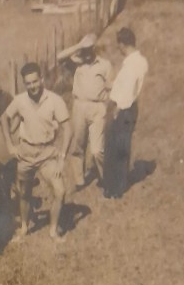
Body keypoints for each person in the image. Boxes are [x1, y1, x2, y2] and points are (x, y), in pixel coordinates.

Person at [1, 62, 72, 242]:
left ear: (41, 79)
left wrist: (62, 157)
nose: (32, 86)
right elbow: (4, 117)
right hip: (25, 153)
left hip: (47, 153)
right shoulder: (19, 100)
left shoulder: (55, 100)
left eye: (35, 81)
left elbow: (67, 128)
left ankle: (53, 230)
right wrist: (10, 144)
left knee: (60, 191)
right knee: (23, 193)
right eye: (28, 83)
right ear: (24, 84)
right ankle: (24, 228)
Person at [57, 32, 112, 188]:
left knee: (97, 150)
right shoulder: (77, 63)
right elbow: (59, 57)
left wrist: (107, 106)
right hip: (79, 106)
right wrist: (79, 45)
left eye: (89, 49)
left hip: (98, 107)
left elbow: (110, 87)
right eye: (84, 50)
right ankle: (79, 180)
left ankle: (104, 178)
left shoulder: (104, 64)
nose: (86, 53)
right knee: (78, 145)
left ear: (94, 49)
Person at [103, 27, 148, 200]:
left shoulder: (131, 65)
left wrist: (116, 110)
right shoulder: (141, 61)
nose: (118, 49)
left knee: (115, 148)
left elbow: (127, 92)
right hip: (130, 108)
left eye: (119, 45)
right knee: (122, 147)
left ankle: (114, 189)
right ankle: (118, 186)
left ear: (122, 44)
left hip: (123, 109)